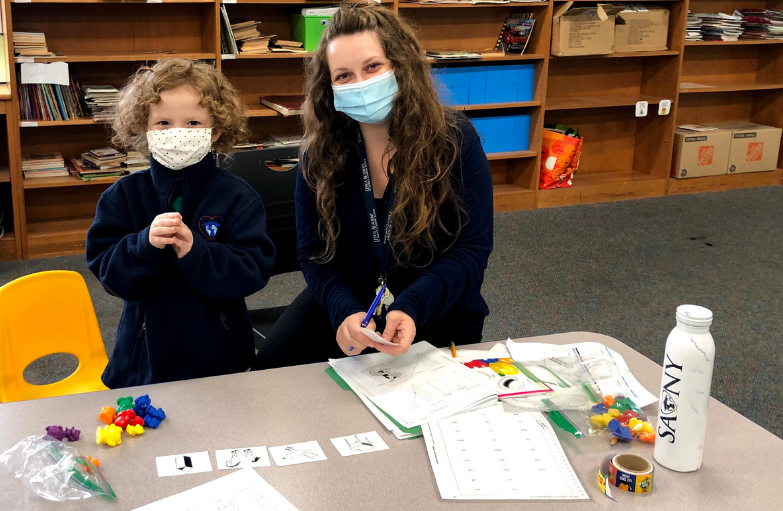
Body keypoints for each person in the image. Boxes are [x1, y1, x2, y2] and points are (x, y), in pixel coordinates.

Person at [254, 5, 493, 369]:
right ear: (329, 87)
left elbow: (471, 249)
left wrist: (412, 308)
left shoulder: (453, 140)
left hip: (433, 303)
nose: (361, 84)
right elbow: (314, 252)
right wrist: (343, 310)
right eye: (344, 76)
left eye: (372, 67)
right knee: (270, 373)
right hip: (349, 301)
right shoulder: (320, 153)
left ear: (401, 64)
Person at [87, 59, 276, 388]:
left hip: (220, 357)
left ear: (214, 130)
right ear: (144, 128)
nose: (178, 133)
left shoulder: (237, 196)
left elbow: (253, 270)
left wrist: (197, 252)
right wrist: (144, 245)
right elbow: (110, 274)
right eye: (163, 122)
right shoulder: (123, 197)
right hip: (145, 358)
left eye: (192, 122)